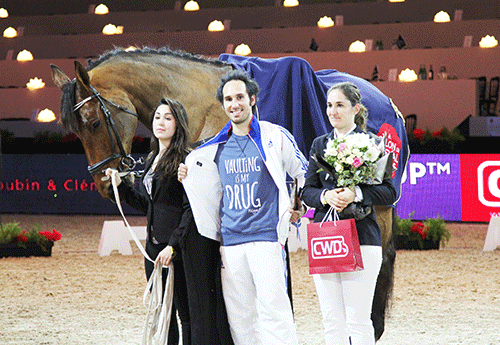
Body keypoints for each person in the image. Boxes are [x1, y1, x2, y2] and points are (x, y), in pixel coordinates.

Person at [178, 69, 307, 345]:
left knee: (275, 313)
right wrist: (186, 173)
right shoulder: (214, 148)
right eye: (228, 99)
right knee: (241, 319)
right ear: (222, 105)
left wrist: (299, 206)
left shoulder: (275, 136)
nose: (234, 104)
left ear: (252, 99)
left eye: (239, 97)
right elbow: (204, 185)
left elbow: (302, 172)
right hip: (231, 243)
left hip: (266, 240)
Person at [106, 98, 234, 345]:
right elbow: (149, 205)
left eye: (168, 117)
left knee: (184, 313)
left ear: (178, 123)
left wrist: (173, 245)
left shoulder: (186, 159)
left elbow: (190, 209)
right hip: (153, 249)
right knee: (162, 313)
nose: (161, 122)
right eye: (157, 117)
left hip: (178, 249)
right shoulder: (152, 157)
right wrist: (120, 187)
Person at [300, 82, 397, 345]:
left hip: (363, 237)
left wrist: (358, 194)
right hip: (326, 237)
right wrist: (324, 196)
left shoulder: (373, 144)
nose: (333, 111)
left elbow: (390, 193)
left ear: (355, 109)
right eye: (329, 105)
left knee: (358, 319)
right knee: (331, 319)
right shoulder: (319, 145)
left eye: (339, 105)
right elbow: (306, 191)